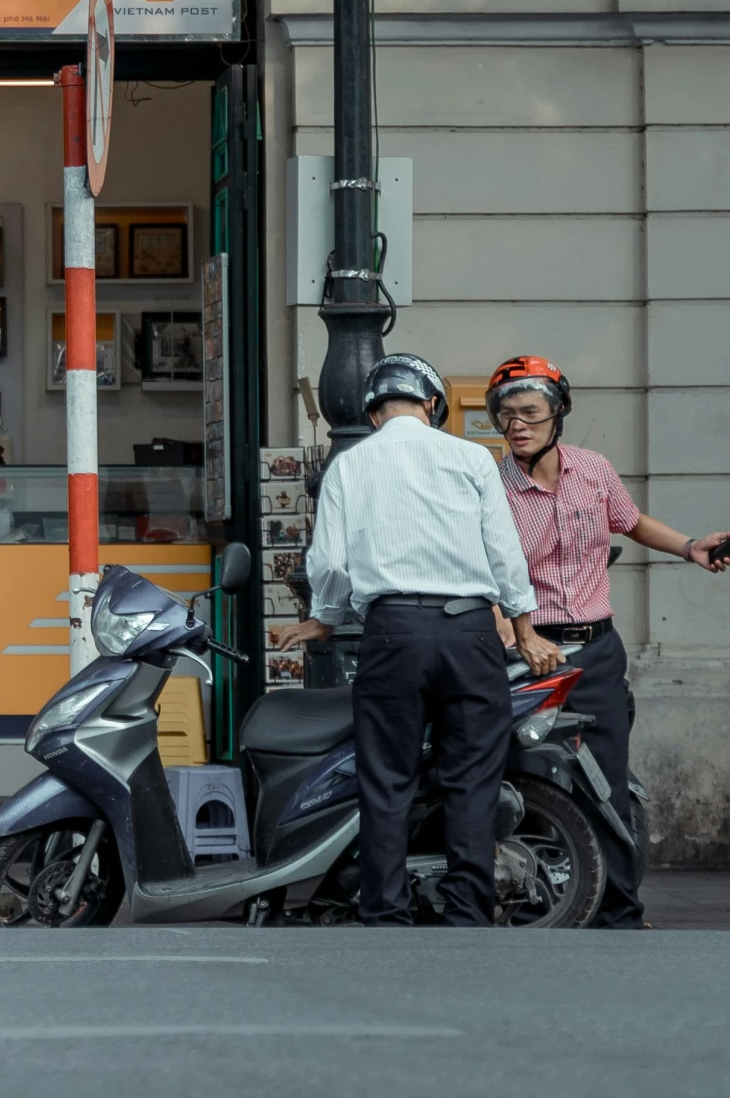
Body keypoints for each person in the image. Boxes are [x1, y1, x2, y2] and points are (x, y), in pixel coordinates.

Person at [269, 353, 540, 926]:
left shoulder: (350, 464)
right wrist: (523, 626)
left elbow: (330, 561)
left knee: (387, 780)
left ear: (372, 414)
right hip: (469, 634)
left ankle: (386, 913)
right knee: (471, 780)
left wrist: (325, 616)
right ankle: (467, 911)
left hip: (392, 634)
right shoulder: (472, 457)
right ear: (433, 404)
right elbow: (504, 552)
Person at [483, 354, 730, 928]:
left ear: (558, 413)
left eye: (529, 413)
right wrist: (503, 625)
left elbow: (631, 519)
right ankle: (529, 894)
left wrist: (689, 546)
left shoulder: (593, 470)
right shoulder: (491, 486)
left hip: (595, 650)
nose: (517, 425)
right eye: (506, 416)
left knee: (607, 779)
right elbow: (480, 566)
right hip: (528, 652)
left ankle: (618, 908)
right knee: (521, 772)